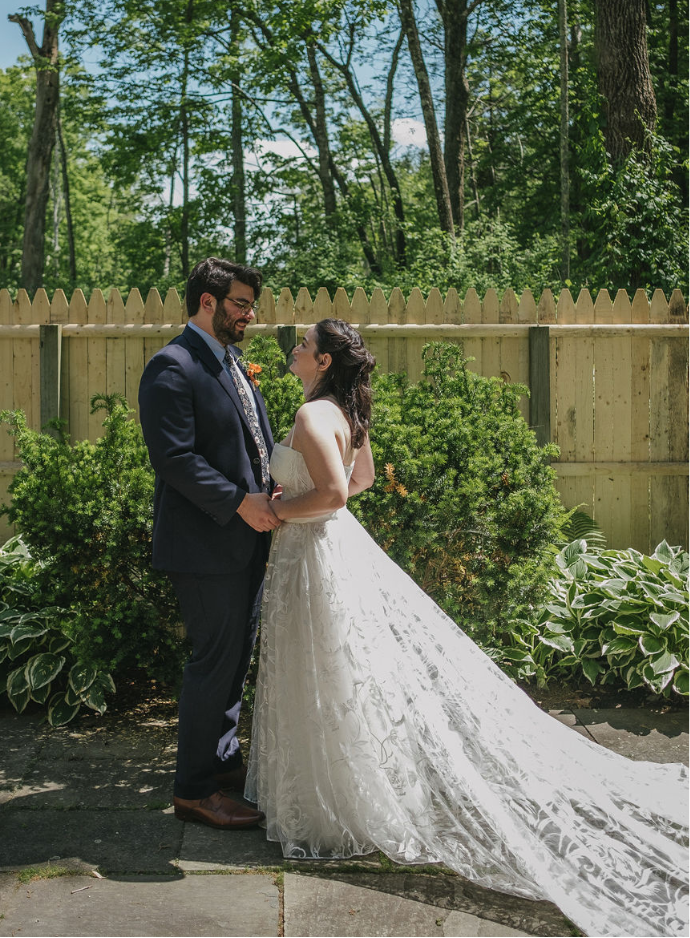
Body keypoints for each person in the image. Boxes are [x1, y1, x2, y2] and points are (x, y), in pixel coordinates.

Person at [249, 319, 687, 936]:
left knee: (320, 671)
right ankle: (336, 799)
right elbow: (363, 478)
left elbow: (334, 496)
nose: (292, 352)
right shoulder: (345, 413)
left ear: (321, 361)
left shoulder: (315, 416)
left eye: (301, 346)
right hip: (327, 552)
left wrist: (277, 508)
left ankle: (329, 813)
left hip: (313, 552)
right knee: (334, 671)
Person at [136, 257, 280, 831]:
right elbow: (175, 459)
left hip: (244, 544)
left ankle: (222, 768)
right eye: (241, 304)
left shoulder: (232, 362)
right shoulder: (172, 366)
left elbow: (249, 443)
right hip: (204, 546)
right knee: (212, 664)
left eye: (250, 305)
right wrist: (240, 501)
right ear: (207, 302)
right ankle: (193, 791)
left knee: (234, 662)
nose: (250, 315)